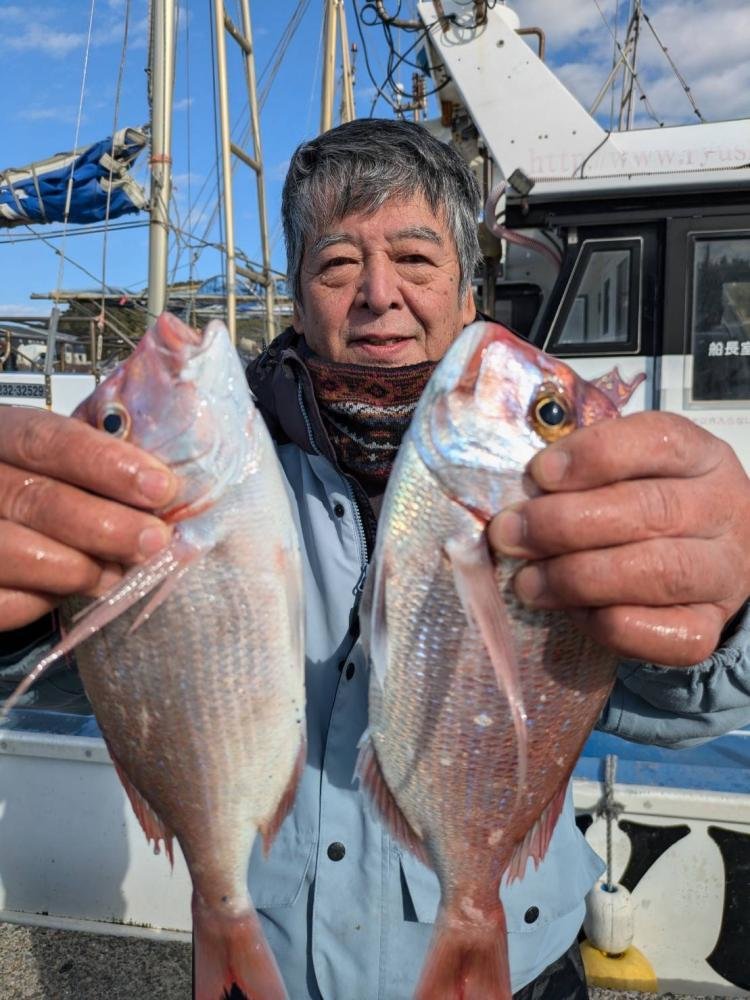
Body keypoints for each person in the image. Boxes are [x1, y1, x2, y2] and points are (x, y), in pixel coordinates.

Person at [1, 118, 749, 999]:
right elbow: (95, 676)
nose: (378, 294)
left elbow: (692, 704)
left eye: (417, 259)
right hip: (278, 963)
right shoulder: (217, 466)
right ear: (298, 299)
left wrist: (723, 602)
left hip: (517, 957)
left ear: (468, 296)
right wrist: (27, 607)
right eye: (337, 265)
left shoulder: (569, 479)